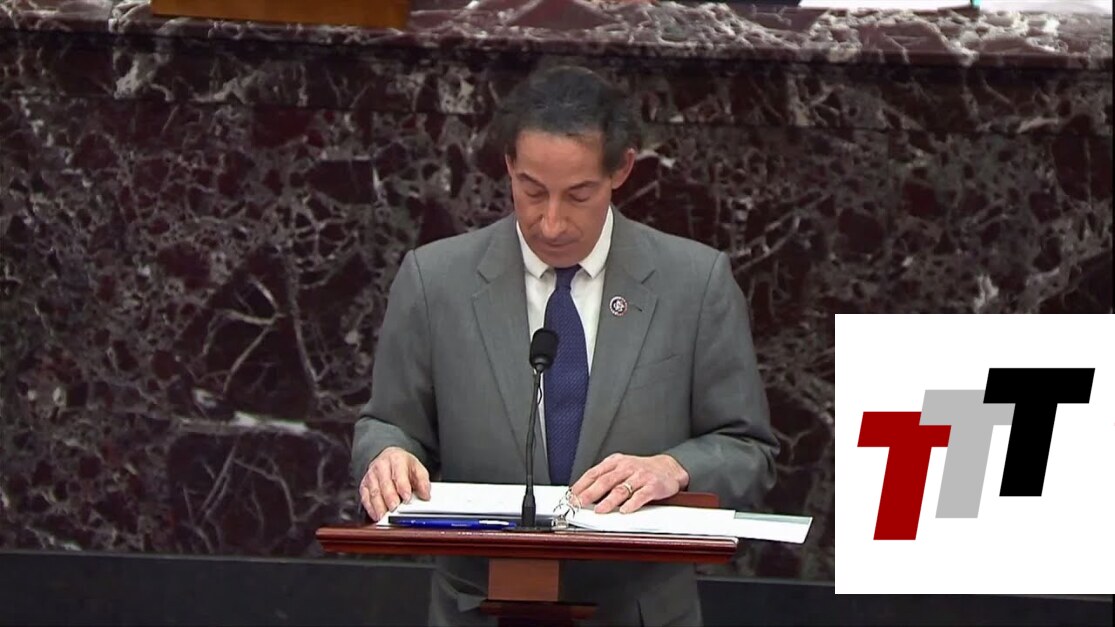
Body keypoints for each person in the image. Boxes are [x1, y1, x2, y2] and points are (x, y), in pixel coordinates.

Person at [351, 65, 779, 626]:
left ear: (621, 169)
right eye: (532, 192)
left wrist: (675, 467)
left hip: (638, 609)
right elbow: (387, 424)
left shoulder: (694, 284)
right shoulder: (435, 281)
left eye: (578, 195)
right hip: (479, 606)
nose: (551, 223)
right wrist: (386, 456)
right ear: (509, 165)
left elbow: (748, 450)